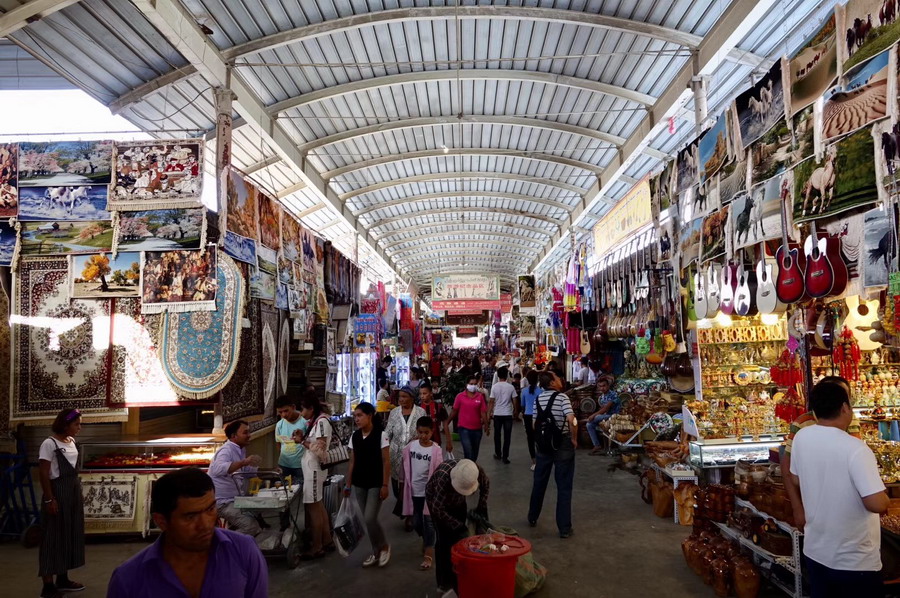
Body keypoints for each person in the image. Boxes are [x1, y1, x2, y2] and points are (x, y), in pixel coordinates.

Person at [789, 380, 888, 598]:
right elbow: (876, 504)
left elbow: (795, 479)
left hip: (815, 551)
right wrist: (885, 497)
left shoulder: (802, 437)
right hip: (853, 560)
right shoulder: (856, 448)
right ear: (844, 407)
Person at [107, 467, 267, 598]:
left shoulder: (244, 551)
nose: (205, 524)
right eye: (191, 517)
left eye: (210, 509)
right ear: (161, 521)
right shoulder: (129, 579)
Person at [782, 376, 862, 528]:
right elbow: (788, 469)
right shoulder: (802, 424)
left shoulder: (851, 420)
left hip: (846, 503)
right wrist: (797, 507)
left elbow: (856, 460)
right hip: (814, 502)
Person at [38, 409, 86, 598]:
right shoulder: (49, 444)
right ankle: (48, 586)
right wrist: (49, 498)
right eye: (76, 424)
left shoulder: (71, 441)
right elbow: (44, 473)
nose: (79, 428)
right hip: (57, 492)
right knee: (52, 537)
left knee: (68, 535)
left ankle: (63, 579)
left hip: (72, 493)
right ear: (65, 425)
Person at [426, 459, 489, 594]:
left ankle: (461, 575)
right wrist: (458, 525)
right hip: (437, 503)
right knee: (443, 542)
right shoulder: (443, 478)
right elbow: (438, 509)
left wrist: (481, 507)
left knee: (461, 541)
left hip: (458, 502)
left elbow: (486, 484)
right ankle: (444, 582)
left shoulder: (474, 470)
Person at [528, 371, 578, 538]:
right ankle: (564, 529)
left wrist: (542, 439)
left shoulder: (538, 399)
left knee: (539, 482)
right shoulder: (563, 398)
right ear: (551, 383)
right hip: (562, 444)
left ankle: (532, 516)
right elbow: (571, 420)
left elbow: (534, 424)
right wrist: (574, 438)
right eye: (556, 378)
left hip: (544, 446)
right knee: (564, 486)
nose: (560, 379)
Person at [343, 402, 391, 568]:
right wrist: (348, 484)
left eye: (360, 415)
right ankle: (376, 551)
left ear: (370, 416)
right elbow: (352, 462)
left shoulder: (381, 435)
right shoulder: (355, 437)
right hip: (359, 483)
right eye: (355, 416)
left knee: (370, 517)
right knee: (367, 519)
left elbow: (386, 461)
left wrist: (385, 485)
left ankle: (384, 546)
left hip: (376, 482)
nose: (356, 419)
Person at [208, 420, 264, 537]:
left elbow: (245, 471)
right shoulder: (226, 450)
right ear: (234, 436)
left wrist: (272, 471)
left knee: (259, 513)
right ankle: (226, 544)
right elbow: (217, 469)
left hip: (235, 499)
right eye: (245, 432)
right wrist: (243, 462)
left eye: (249, 432)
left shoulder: (240, 449)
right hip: (222, 503)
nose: (249, 435)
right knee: (251, 527)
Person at [403, 416, 444, 571]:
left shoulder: (436, 450)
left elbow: (439, 472)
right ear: (417, 431)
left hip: (429, 493)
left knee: (429, 522)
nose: (423, 436)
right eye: (420, 432)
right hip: (414, 491)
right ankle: (426, 539)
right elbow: (404, 466)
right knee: (416, 522)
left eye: (426, 433)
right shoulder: (411, 447)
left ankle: (429, 552)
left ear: (432, 432)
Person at [297, 394, 335, 559]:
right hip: (312, 469)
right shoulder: (315, 422)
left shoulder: (321, 422)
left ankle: (317, 546)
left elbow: (320, 450)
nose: (301, 413)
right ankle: (327, 540)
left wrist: (302, 441)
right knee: (319, 506)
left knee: (314, 508)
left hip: (314, 470)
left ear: (311, 409)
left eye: (303, 409)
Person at [385, 386, 427, 522]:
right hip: (395, 454)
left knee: (412, 485)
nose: (401, 399)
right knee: (397, 486)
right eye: (400, 397)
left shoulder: (421, 412)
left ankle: (410, 514)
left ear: (412, 398)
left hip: (414, 455)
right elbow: (388, 433)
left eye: (404, 396)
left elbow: (425, 430)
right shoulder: (394, 413)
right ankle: (403, 504)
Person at [450, 375, 490, 461]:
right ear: (466, 384)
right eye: (471, 384)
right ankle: (468, 467)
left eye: (475, 384)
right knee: (468, 451)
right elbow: (454, 410)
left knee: (475, 452)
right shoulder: (460, 396)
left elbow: (483, 412)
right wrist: (448, 421)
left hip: (477, 430)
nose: (473, 386)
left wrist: (486, 425)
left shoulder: (480, 397)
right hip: (464, 429)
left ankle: (472, 466)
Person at [274, 395, 307, 481]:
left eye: (286, 411)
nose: (283, 415)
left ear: (293, 407)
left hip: (300, 465)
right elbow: (278, 444)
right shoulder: (279, 425)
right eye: (280, 412)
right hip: (283, 465)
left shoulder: (304, 422)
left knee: (300, 487)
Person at [489, 367, 518, 464]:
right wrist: (515, 411)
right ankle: (505, 456)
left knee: (497, 435)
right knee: (507, 436)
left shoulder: (494, 387)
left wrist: (489, 414)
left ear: (498, 375)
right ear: (506, 375)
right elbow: (514, 400)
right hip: (508, 414)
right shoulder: (511, 387)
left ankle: (498, 454)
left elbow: (491, 401)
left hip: (497, 414)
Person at [587, 377, 620, 455]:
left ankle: (585, 420)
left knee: (596, 417)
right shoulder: (602, 397)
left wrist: (593, 415)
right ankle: (597, 445)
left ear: (608, 386)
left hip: (614, 416)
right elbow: (602, 410)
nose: (602, 388)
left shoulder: (613, 394)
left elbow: (605, 409)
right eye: (600, 386)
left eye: (604, 386)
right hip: (605, 417)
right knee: (589, 425)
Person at [419, 383, 453, 454]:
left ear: (431, 394)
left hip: (436, 440)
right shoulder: (418, 407)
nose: (422, 396)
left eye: (424, 393)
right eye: (420, 394)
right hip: (421, 441)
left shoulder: (439, 407)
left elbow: (445, 424)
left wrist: (448, 442)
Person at [520, 370, 541, 471]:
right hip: (538, 416)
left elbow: (522, 405)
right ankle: (541, 457)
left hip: (528, 416)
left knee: (530, 438)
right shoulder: (541, 391)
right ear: (537, 379)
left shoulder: (524, 391)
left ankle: (534, 460)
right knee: (539, 437)